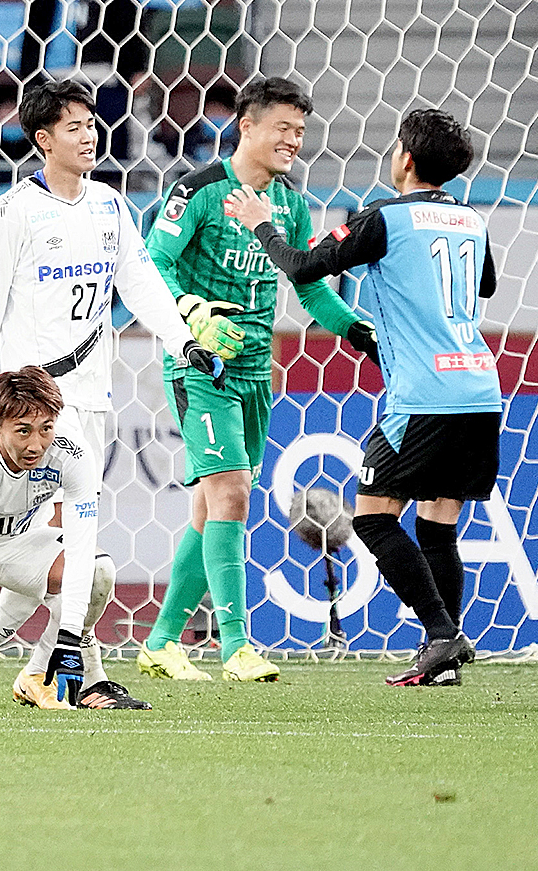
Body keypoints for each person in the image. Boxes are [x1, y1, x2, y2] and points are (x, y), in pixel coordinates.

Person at [0, 78, 222, 696]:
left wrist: (184, 342)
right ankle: (67, 672)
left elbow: (141, 284)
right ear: (43, 140)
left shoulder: (110, 205)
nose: (90, 134)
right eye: (74, 127)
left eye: (92, 123)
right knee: (63, 552)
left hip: (93, 398)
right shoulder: (15, 211)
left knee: (75, 552)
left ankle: (21, 666)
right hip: (31, 408)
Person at [223, 108, 497, 687]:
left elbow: (301, 266)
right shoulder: (471, 220)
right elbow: (486, 286)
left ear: (407, 159)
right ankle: (441, 657)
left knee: (372, 517)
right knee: (439, 523)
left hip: (424, 395)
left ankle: (443, 635)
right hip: (479, 385)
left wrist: (260, 222)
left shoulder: (384, 218)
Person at [137, 76, 372, 683]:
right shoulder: (197, 191)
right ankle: (236, 646)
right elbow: (153, 262)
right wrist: (190, 313)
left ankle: (162, 641)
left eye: (300, 130)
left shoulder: (290, 204)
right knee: (234, 494)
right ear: (247, 126)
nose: (293, 140)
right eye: (282, 128)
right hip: (199, 364)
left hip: (254, 371)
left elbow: (310, 284)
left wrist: (354, 331)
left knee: (208, 507)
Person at [0, 366, 150, 711]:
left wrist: (70, 638)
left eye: (46, 429)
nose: (36, 444)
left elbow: (81, 546)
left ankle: (38, 674)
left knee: (99, 570)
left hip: (25, 543)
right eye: (23, 430)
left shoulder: (74, 453)